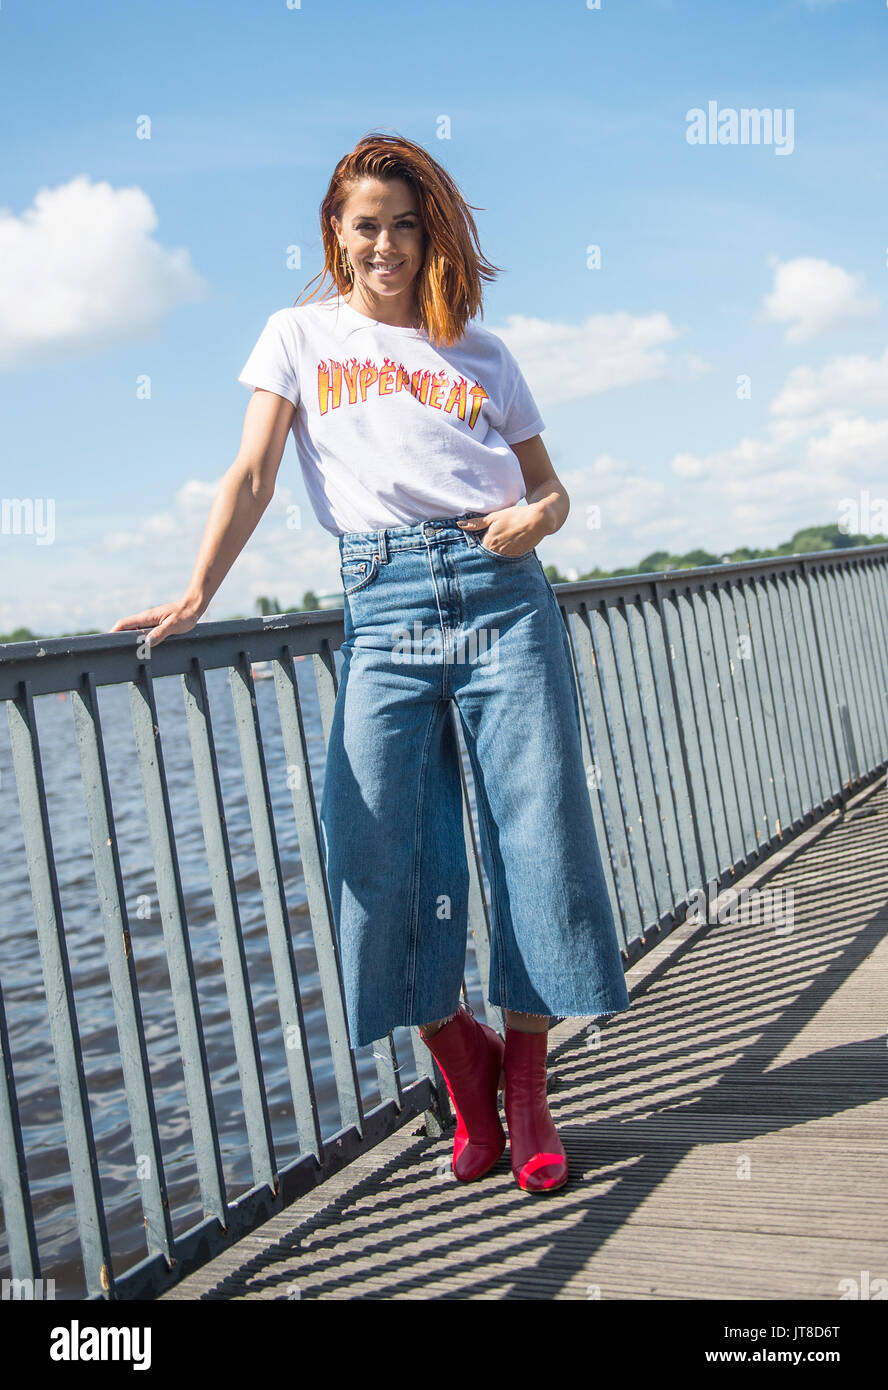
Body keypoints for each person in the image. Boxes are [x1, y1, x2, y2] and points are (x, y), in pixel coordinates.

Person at [111, 130, 631, 1195]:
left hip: (500, 594)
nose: (386, 244)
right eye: (366, 226)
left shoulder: (479, 349)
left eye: (403, 224)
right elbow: (253, 471)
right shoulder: (297, 336)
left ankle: (525, 1087)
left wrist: (536, 520)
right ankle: (461, 1058)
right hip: (381, 601)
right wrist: (200, 588)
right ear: (336, 235)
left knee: (533, 834)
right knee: (373, 844)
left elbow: (552, 491)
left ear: (426, 231)